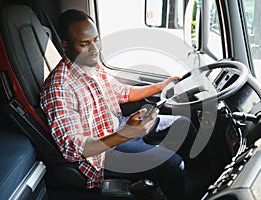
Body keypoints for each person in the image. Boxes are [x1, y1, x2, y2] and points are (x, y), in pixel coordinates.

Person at [40, 9, 197, 200]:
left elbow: (123, 92)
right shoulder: (59, 87)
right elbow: (75, 148)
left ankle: (198, 181)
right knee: (173, 163)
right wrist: (125, 135)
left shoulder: (92, 65)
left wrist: (160, 86)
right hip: (103, 153)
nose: (95, 49)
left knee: (183, 125)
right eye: (85, 44)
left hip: (118, 125)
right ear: (65, 45)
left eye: (96, 40)